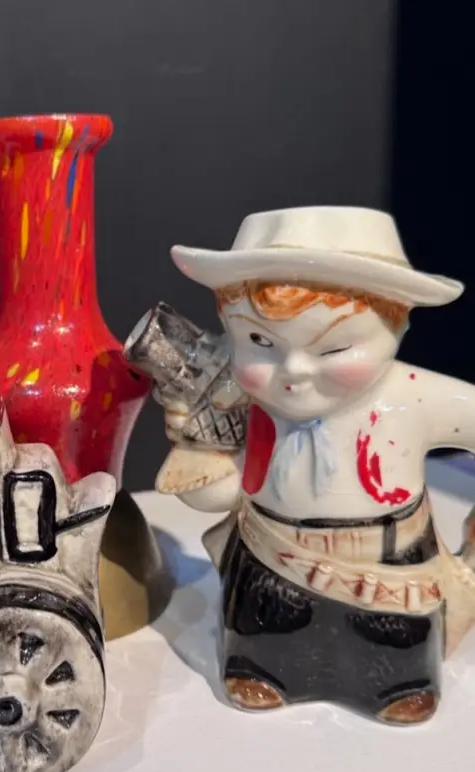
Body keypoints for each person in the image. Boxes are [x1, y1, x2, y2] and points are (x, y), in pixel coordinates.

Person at [164, 205, 475, 725]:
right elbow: (220, 493)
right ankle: (260, 671)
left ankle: (400, 684)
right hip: (271, 552)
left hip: (388, 560)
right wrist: (197, 456)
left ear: (396, 323)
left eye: (334, 347)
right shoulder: (241, 400)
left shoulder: (415, 397)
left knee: (391, 640)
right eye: (260, 342)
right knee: (266, 631)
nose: (293, 370)